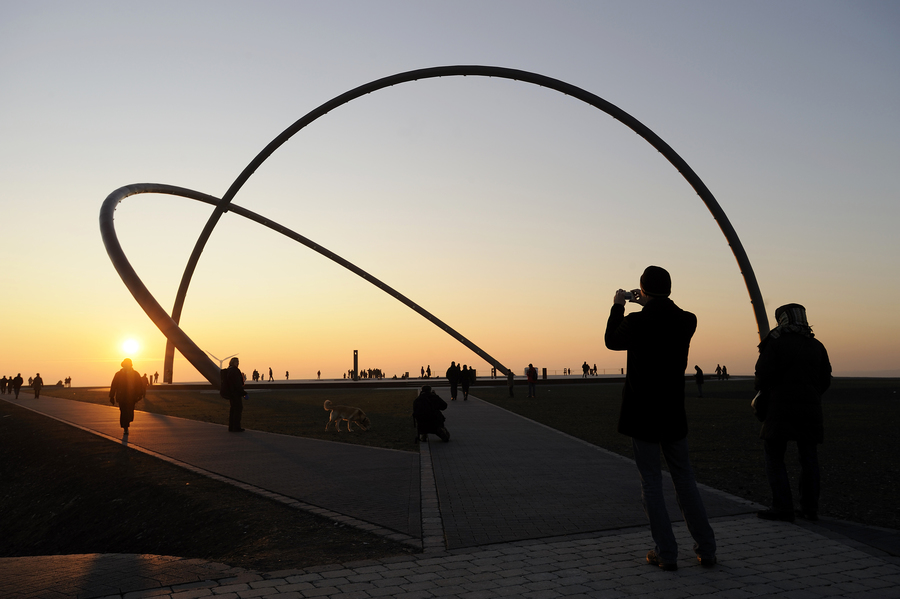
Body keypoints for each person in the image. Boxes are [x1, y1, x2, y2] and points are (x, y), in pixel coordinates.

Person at [604, 265, 716, 571]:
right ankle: (706, 549)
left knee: (651, 483)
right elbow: (672, 314)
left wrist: (618, 305)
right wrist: (653, 301)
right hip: (672, 411)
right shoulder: (686, 321)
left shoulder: (636, 322)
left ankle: (666, 553)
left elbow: (611, 340)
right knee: (685, 479)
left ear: (642, 289)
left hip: (643, 413)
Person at [755, 303, 831, 522]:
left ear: (783, 319)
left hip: (779, 409)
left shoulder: (775, 341)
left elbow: (762, 374)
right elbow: (825, 379)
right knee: (809, 458)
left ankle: (782, 506)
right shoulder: (816, 345)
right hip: (810, 410)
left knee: (774, 455)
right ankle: (809, 508)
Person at [108, 358, 144, 435]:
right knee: (123, 411)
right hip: (122, 397)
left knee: (130, 412)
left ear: (130, 365)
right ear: (123, 365)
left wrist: (140, 395)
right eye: (125, 365)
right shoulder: (118, 374)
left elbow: (140, 385)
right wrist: (111, 396)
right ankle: (125, 427)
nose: (126, 366)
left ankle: (127, 423)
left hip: (132, 397)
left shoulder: (135, 374)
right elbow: (113, 385)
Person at [222, 357, 248, 432]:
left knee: (233, 410)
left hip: (231, 393)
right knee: (238, 409)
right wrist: (243, 392)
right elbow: (237, 383)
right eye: (237, 362)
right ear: (234, 363)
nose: (238, 363)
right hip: (236, 394)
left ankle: (231, 427)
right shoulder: (235, 371)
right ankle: (236, 427)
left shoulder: (228, 370)